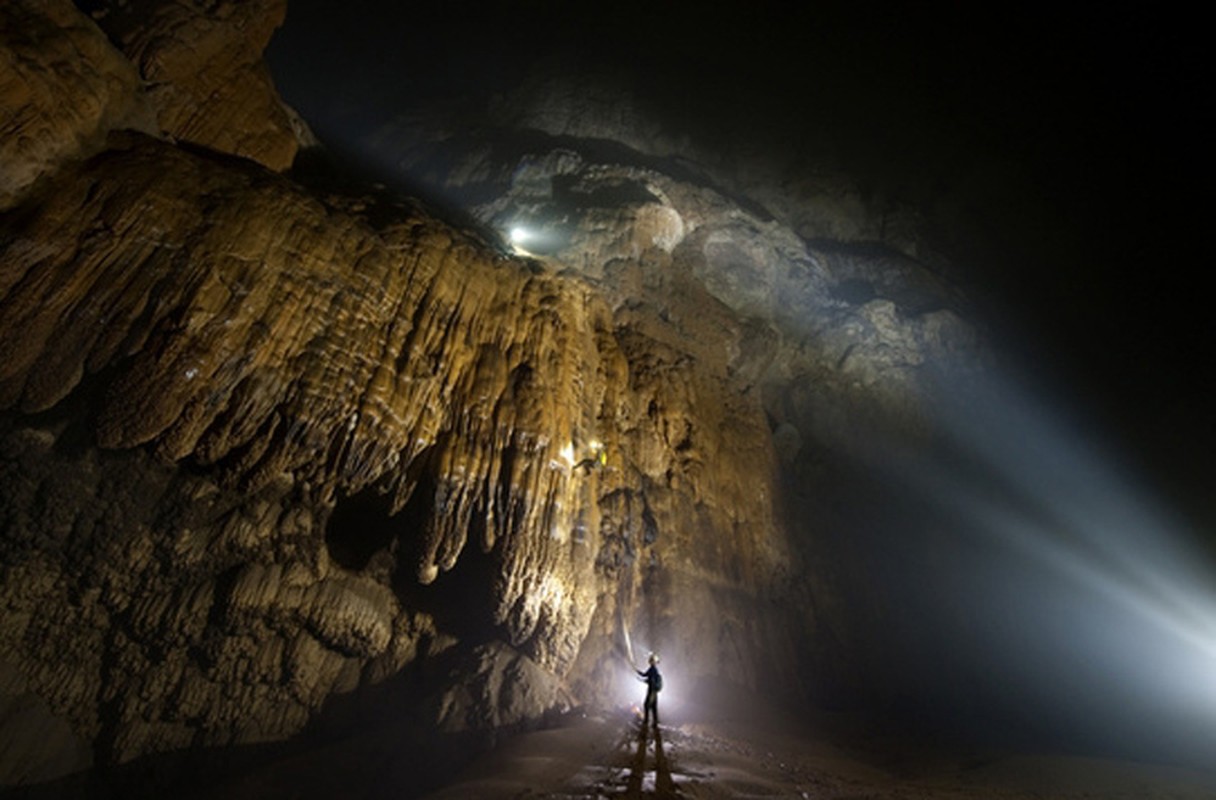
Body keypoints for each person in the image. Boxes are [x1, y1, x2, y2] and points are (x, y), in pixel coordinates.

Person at [637, 652, 662, 727]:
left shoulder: (653, 669)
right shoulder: (652, 669)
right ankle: (655, 721)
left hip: (652, 690)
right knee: (654, 706)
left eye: (651, 660)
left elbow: (649, 678)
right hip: (653, 690)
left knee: (647, 705)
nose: (649, 662)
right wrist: (638, 672)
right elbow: (646, 675)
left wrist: (643, 679)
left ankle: (646, 721)